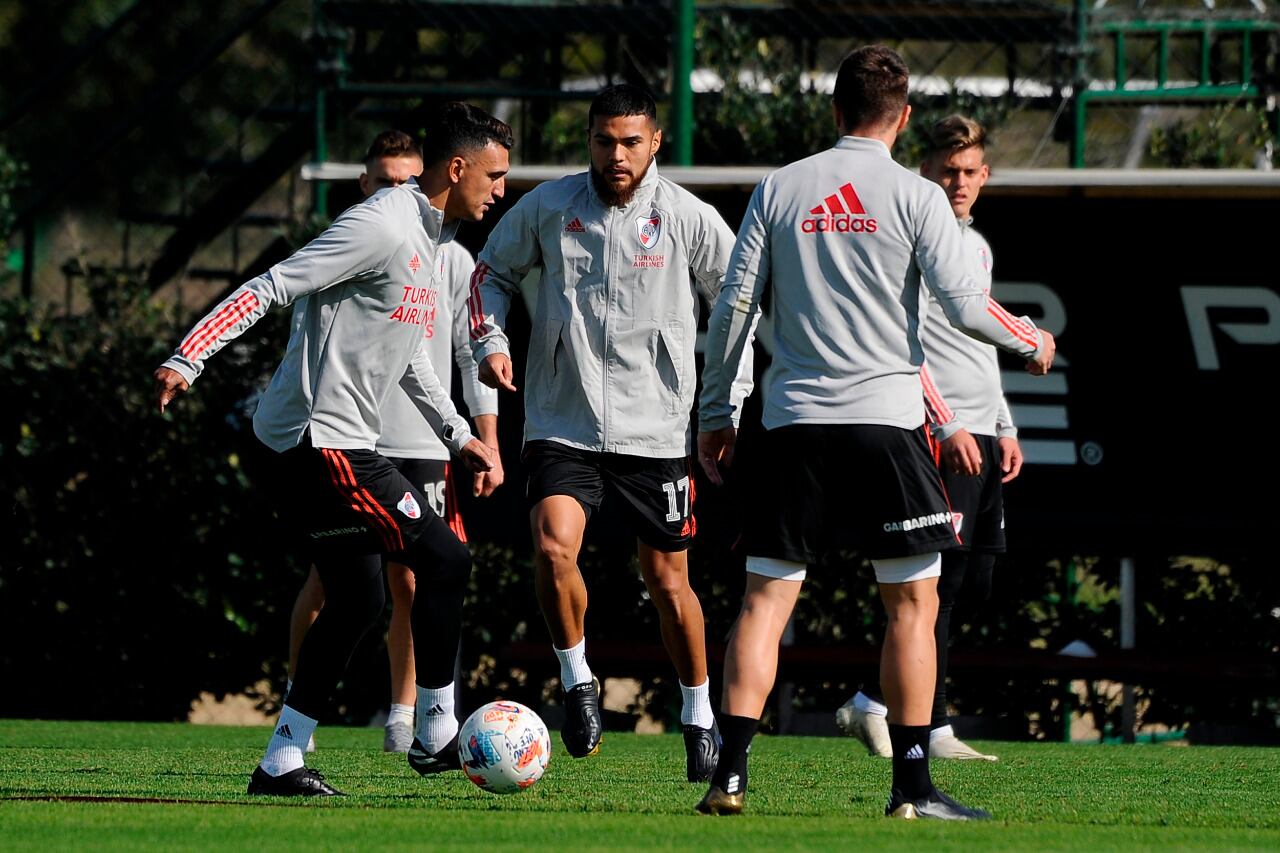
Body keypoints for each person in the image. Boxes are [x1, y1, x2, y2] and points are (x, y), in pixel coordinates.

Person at [694, 46, 1055, 820]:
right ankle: (911, 789)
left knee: (764, 601)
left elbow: (734, 308)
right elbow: (966, 304)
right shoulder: (916, 196)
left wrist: (718, 411)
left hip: (793, 423)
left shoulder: (781, 186)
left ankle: (730, 776)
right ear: (905, 117)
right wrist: (1031, 339)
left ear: (834, 110)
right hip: (888, 426)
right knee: (913, 606)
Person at [153, 102, 512, 796]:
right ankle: (435, 732)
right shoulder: (381, 224)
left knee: (358, 597)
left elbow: (409, 356)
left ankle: (282, 760)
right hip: (316, 440)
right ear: (457, 168)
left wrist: (459, 433)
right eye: (494, 176)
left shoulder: (431, 239)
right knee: (446, 558)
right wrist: (189, 356)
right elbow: (272, 285)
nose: (500, 190)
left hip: (326, 442)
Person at [468, 84, 752, 782]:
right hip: (561, 421)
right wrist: (490, 342)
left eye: (630, 142)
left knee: (668, 581)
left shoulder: (687, 217)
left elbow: (738, 303)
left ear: (655, 143)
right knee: (551, 545)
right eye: (603, 141)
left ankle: (698, 713)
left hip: (656, 431)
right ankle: (577, 679)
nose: (616, 155)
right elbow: (489, 274)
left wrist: (724, 405)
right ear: (589, 141)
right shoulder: (549, 205)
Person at [285, 130, 502, 755]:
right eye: (385, 181)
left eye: (406, 179)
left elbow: (450, 354)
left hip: (419, 441)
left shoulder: (448, 253)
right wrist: (190, 357)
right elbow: (287, 301)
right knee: (348, 585)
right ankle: (423, 728)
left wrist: (472, 436)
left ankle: (398, 720)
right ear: (366, 185)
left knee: (397, 585)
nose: (397, 189)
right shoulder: (364, 234)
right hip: (343, 441)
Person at [837, 115, 1019, 763]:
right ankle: (924, 721)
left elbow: (980, 341)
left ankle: (877, 698)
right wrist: (945, 421)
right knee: (932, 582)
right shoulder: (913, 236)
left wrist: (1003, 424)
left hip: (982, 433)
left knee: (972, 580)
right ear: (926, 172)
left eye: (969, 172)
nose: (959, 182)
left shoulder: (977, 246)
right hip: (941, 434)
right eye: (948, 171)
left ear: (985, 176)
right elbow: (903, 343)